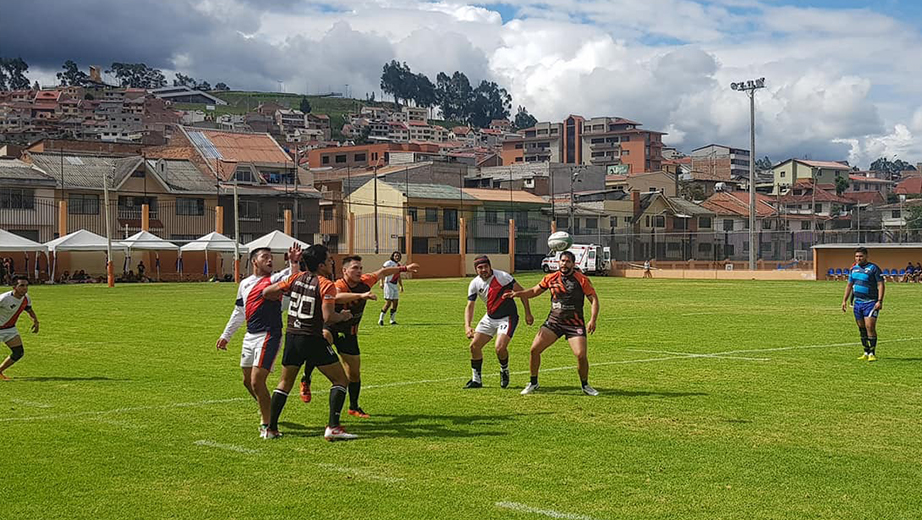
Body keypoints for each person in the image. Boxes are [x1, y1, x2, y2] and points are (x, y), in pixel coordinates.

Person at [299, 255, 420, 415]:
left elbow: (383, 272)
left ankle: (353, 407)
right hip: (332, 326)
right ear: (344, 271)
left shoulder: (365, 281)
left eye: (360, 268)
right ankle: (306, 378)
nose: (359, 271)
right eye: (355, 268)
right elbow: (336, 296)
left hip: (350, 332)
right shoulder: (338, 284)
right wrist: (361, 296)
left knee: (354, 373)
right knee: (323, 339)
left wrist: (404, 268)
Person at [262, 244, 358, 441]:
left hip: (292, 336)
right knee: (340, 379)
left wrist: (287, 294)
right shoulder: (326, 284)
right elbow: (328, 316)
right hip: (312, 337)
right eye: (330, 259)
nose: (332, 262)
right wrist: (344, 316)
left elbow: (267, 292)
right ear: (322, 264)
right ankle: (333, 427)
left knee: (285, 383)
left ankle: (270, 429)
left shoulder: (296, 277)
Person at [216, 245, 300, 438]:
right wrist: (226, 335)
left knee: (257, 380)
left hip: (269, 334)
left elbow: (293, 278)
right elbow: (239, 312)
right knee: (247, 382)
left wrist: (294, 261)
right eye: (265, 257)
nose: (270, 260)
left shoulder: (275, 278)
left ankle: (268, 424)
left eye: (271, 257)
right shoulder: (244, 284)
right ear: (255, 261)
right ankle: (269, 410)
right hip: (250, 336)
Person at [503, 250, 600, 396]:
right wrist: (518, 294)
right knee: (534, 350)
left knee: (581, 355)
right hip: (554, 322)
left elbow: (594, 300)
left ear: (573, 264)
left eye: (568, 261)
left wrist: (593, 319)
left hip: (574, 323)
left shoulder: (582, 280)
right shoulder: (551, 278)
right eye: (562, 261)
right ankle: (533, 383)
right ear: (558, 262)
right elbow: (535, 291)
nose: (564, 264)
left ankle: (585, 385)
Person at [463, 255, 533, 389]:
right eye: (480, 267)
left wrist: (528, 313)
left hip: (508, 317)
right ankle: (476, 380)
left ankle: (504, 370)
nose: (483, 270)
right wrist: (467, 326)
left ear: (490, 266)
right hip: (490, 318)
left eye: (485, 266)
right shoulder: (474, 283)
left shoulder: (503, 277)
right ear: (476, 270)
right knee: (474, 347)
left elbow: (522, 292)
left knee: (500, 348)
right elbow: (470, 306)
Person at [842, 247, 885, 362]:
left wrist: (880, 301)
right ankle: (866, 351)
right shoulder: (853, 269)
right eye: (856, 256)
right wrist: (844, 300)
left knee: (869, 326)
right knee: (861, 327)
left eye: (861, 256)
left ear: (866, 256)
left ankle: (872, 353)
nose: (858, 258)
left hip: (871, 302)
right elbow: (849, 285)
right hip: (858, 303)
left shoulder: (873, 268)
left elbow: (881, 285)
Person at [0, 277, 40, 380]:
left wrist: (35, 321)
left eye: (27, 285)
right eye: (22, 285)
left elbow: (29, 309)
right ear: (14, 287)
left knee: (18, 352)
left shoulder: (26, 298)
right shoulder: (4, 298)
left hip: (10, 329)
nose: (25, 288)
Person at [378, 251, 405, 325]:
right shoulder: (388, 263)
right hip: (388, 284)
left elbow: (398, 276)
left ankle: (392, 320)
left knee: (395, 303)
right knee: (388, 303)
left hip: (394, 285)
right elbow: (382, 272)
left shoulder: (399, 265)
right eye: (396, 256)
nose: (397, 257)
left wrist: (401, 286)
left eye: (398, 256)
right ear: (392, 256)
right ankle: (381, 319)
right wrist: (381, 282)